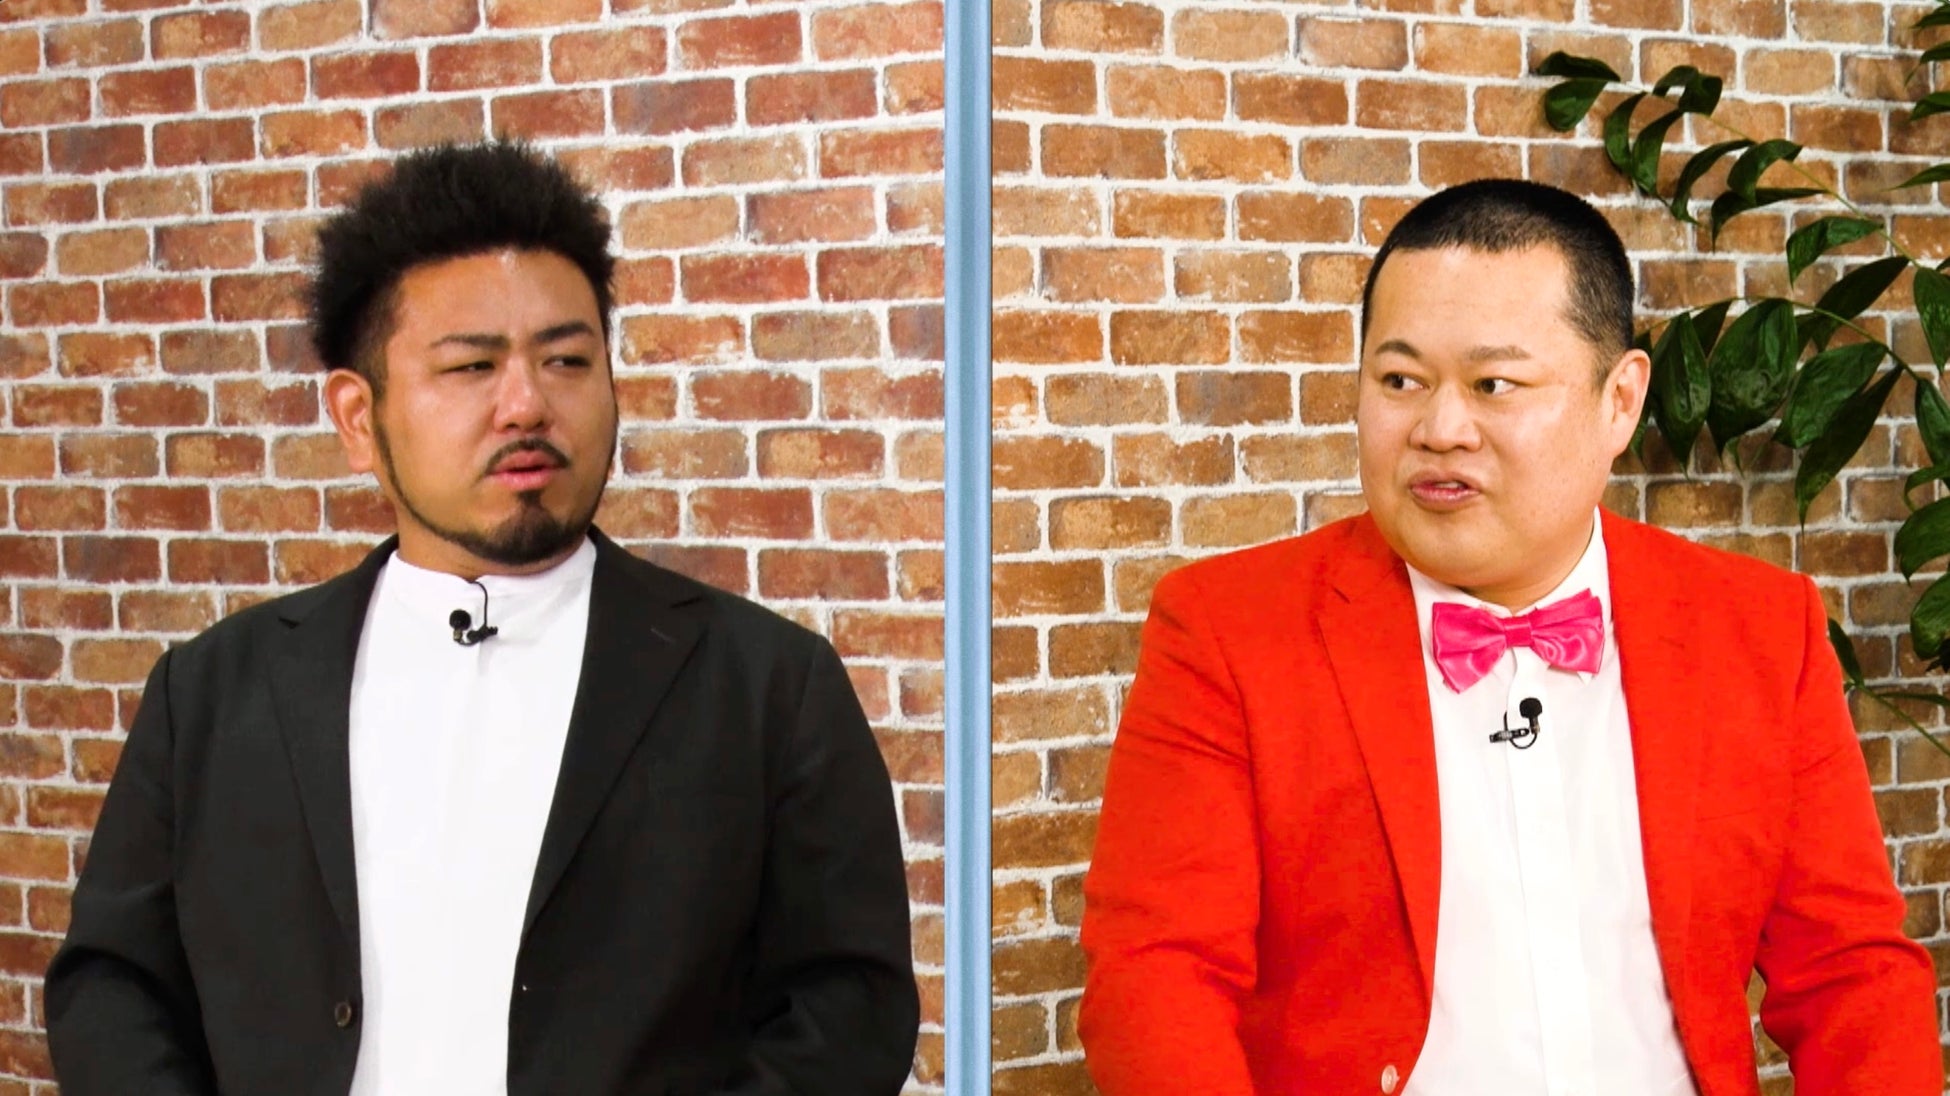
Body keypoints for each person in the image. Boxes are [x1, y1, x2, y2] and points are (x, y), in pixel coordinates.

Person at [45, 140, 919, 1096]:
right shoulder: (213, 690)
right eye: (471, 366)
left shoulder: (769, 686)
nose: (526, 404)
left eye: (567, 359)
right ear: (357, 417)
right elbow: (113, 986)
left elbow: (850, 1009)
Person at [1077, 179, 1941, 1096]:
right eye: (1400, 381)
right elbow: (1154, 980)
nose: (1440, 429)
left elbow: (1852, 975)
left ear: (1620, 401)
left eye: (1494, 384)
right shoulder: (1226, 630)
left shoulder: (1759, 627)